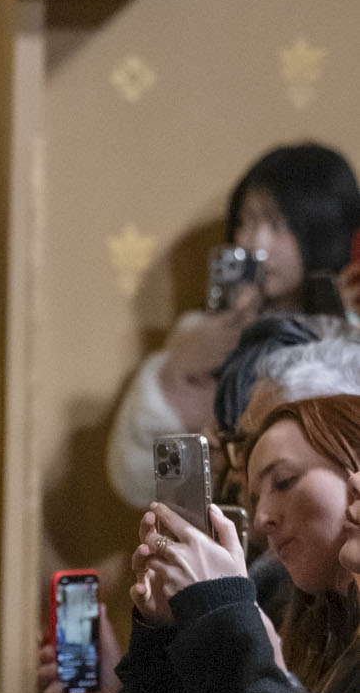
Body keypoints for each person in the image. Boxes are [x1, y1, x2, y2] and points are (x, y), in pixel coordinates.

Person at [106, 142, 360, 509]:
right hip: (223, 531)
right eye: (245, 221)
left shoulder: (345, 338)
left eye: (276, 224)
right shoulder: (200, 335)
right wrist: (174, 376)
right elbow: (139, 482)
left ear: (322, 228)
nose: (254, 243)